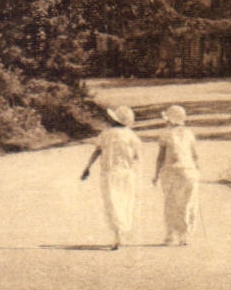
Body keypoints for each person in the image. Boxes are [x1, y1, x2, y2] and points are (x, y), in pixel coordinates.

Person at [80, 105, 142, 250]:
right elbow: (137, 157)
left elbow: (97, 151)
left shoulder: (106, 134)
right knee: (126, 201)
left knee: (112, 202)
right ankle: (123, 231)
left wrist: (87, 167)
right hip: (126, 173)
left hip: (109, 172)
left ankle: (118, 233)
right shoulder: (132, 136)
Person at [153, 104, 201, 246]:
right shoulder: (189, 133)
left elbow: (160, 157)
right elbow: (195, 156)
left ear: (169, 120)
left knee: (171, 203)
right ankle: (183, 236)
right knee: (187, 203)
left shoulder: (165, 134)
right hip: (190, 171)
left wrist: (156, 174)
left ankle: (170, 236)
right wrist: (197, 170)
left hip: (171, 171)